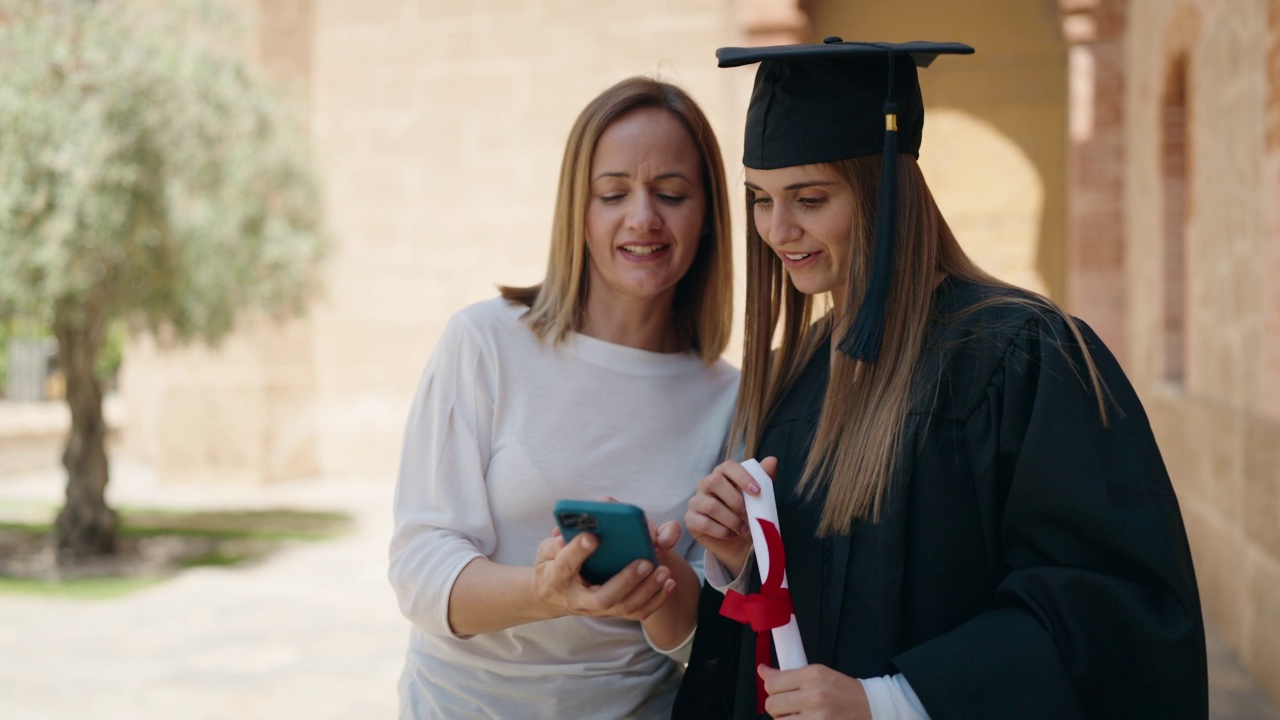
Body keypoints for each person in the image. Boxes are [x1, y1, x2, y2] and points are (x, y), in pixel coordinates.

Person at [675, 40, 1208, 719]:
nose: (778, 230)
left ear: (884, 189)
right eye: (760, 199)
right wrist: (746, 557)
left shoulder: (1021, 356)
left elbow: (1107, 610)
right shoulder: (803, 367)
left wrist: (887, 702)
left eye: (809, 198)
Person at [387, 76, 739, 719]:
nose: (643, 218)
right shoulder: (484, 342)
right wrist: (549, 592)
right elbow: (420, 571)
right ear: (577, 210)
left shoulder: (730, 398)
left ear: (708, 214)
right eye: (613, 193)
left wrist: (655, 574)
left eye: (671, 193)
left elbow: (701, 646)